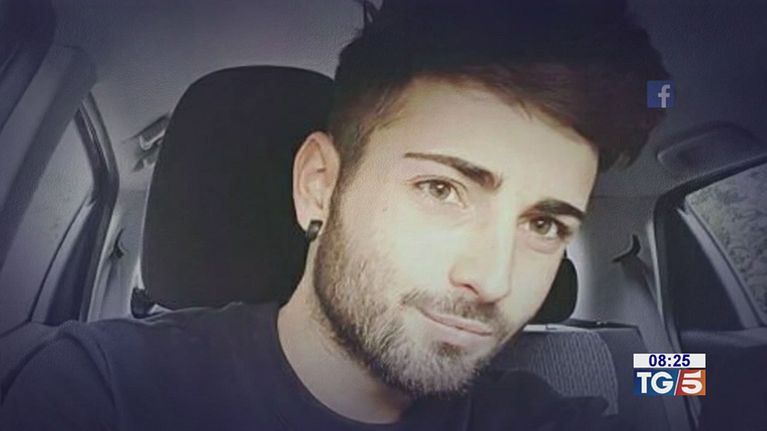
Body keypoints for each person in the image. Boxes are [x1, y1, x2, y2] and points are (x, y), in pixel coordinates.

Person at [0, 0, 668, 429]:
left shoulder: (557, 404)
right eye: (441, 189)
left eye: (544, 225)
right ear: (320, 184)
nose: (493, 280)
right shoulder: (104, 390)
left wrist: (690, 374)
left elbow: (683, 378)